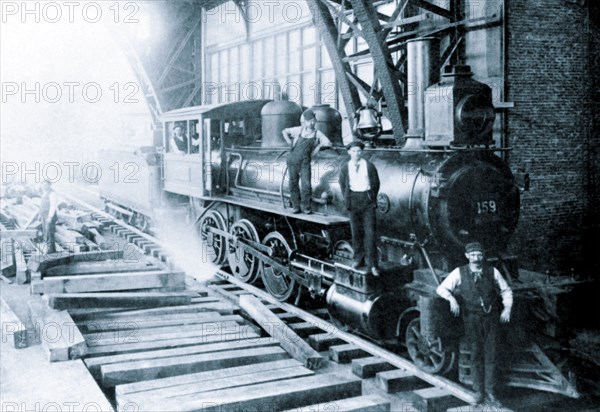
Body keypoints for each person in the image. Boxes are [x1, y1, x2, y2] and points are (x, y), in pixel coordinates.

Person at [436, 242, 513, 406]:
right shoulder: (459, 272)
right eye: (472, 255)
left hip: (491, 319)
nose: (476, 258)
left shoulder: (492, 271)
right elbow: (441, 289)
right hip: (471, 319)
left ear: (483, 256)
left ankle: (491, 392)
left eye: (479, 254)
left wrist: (507, 309)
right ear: (466, 256)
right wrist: (451, 300)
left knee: (491, 354)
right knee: (476, 353)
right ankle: (478, 391)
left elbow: (506, 290)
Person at [338, 141, 381, 277]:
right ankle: (358, 260)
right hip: (353, 201)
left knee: (370, 233)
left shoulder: (369, 166)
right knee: (356, 233)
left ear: (361, 152)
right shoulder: (345, 167)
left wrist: (370, 197)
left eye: (358, 151)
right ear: (349, 152)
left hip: (367, 201)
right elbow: (342, 184)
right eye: (353, 151)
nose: (356, 154)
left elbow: (376, 183)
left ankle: (373, 264)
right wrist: (348, 200)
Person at [282, 109, 332, 214]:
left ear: (315, 121)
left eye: (313, 120)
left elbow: (328, 143)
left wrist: (318, 146)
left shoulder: (317, 133)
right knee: (293, 183)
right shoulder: (298, 130)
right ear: (305, 122)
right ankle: (296, 206)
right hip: (293, 159)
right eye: (309, 121)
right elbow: (284, 131)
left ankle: (306, 207)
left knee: (306, 184)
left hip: (305, 161)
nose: (312, 123)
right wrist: (289, 143)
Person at [39, 180, 58, 254]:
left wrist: (50, 217)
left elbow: (53, 206)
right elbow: (41, 205)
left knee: (49, 232)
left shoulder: (52, 194)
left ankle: (51, 250)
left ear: (50, 185)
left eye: (46, 185)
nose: (44, 186)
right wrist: (39, 215)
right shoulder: (44, 193)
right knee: (45, 231)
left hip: (49, 215)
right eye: (43, 185)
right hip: (43, 215)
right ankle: (49, 248)